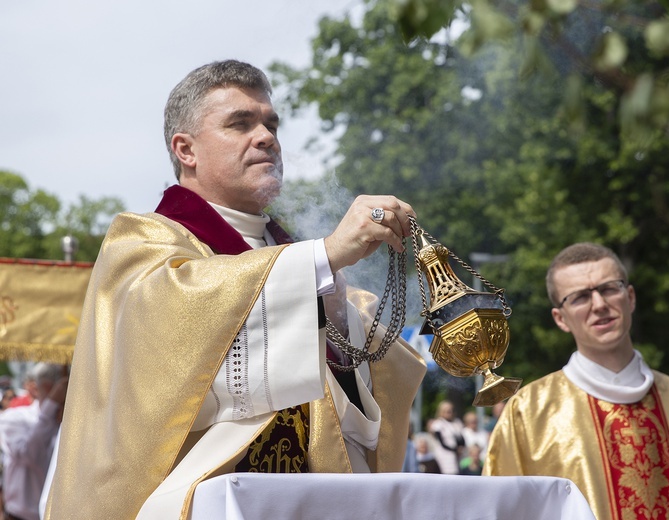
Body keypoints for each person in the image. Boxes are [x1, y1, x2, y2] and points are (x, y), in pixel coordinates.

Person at [44, 59, 426, 519]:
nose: (266, 137)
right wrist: (321, 257)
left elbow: (373, 391)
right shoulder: (142, 241)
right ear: (186, 150)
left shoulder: (296, 256)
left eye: (270, 124)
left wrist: (336, 311)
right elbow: (173, 317)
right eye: (240, 124)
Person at [484, 242, 669, 519]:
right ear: (560, 319)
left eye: (610, 288)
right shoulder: (528, 414)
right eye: (580, 297)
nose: (599, 305)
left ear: (631, 297)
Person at [0, 363, 67, 520]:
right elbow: (30, 455)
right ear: (37, 388)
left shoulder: (69, 423)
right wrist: (51, 406)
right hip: (19, 516)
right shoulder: (14, 418)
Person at [429, 400, 464, 474]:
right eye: (447, 410)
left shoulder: (456, 423)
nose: (449, 412)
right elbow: (441, 442)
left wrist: (460, 448)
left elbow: (461, 438)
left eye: (450, 410)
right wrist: (454, 449)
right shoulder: (438, 424)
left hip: (457, 454)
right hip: (445, 454)